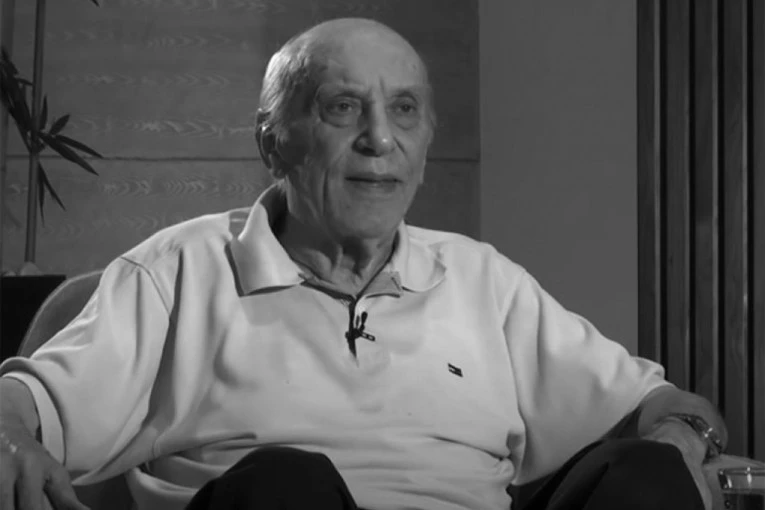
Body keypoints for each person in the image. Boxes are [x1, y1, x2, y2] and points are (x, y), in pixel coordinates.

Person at [0, 17, 727, 510]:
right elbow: (22, 406)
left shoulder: (482, 280)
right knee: (286, 482)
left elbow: (665, 407)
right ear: (272, 141)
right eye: (343, 107)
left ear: (425, 140)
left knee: (646, 471)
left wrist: (681, 438)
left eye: (403, 110)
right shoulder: (178, 272)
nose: (380, 139)